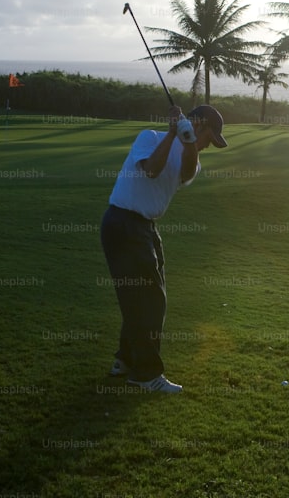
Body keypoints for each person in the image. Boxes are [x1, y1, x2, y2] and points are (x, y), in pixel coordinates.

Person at [101, 104, 227, 392]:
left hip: (145, 228)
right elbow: (151, 170)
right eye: (210, 138)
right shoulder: (149, 137)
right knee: (147, 301)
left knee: (143, 299)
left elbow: (185, 170)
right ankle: (146, 375)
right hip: (122, 223)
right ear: (201, 125)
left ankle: (125, 361)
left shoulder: (192, 157)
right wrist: (171, 134)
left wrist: (188, 141)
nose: (208, 145)